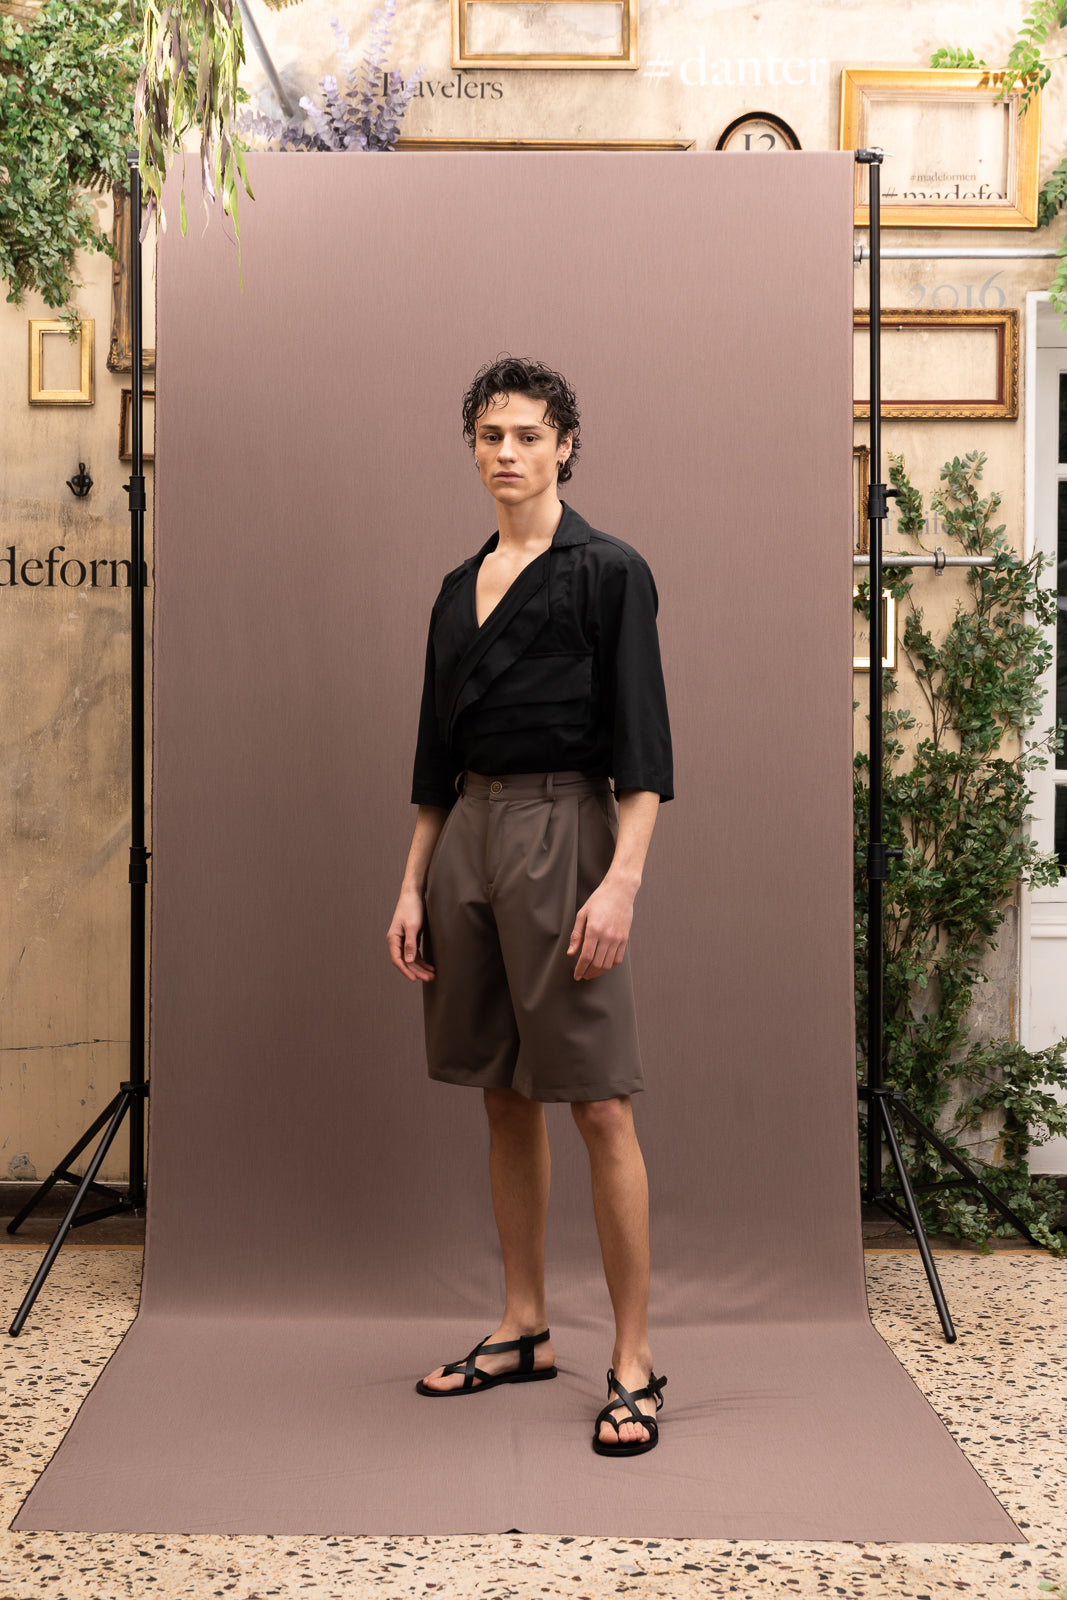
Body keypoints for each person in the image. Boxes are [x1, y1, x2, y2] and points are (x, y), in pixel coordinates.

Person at [386, 355, 673, 1456]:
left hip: (569, 834)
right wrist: (412, 882)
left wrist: (621, 881)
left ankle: (633, 1359)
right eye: (489, 435)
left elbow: (642, 751)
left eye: (527, 434)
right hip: (467, 834)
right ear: (473, 449)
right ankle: (522, 1327)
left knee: (597, 1103)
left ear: (565, 447)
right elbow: (433, 757)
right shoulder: (453, 589)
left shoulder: (610, 573)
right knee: (502, 1093)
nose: (506, 452)